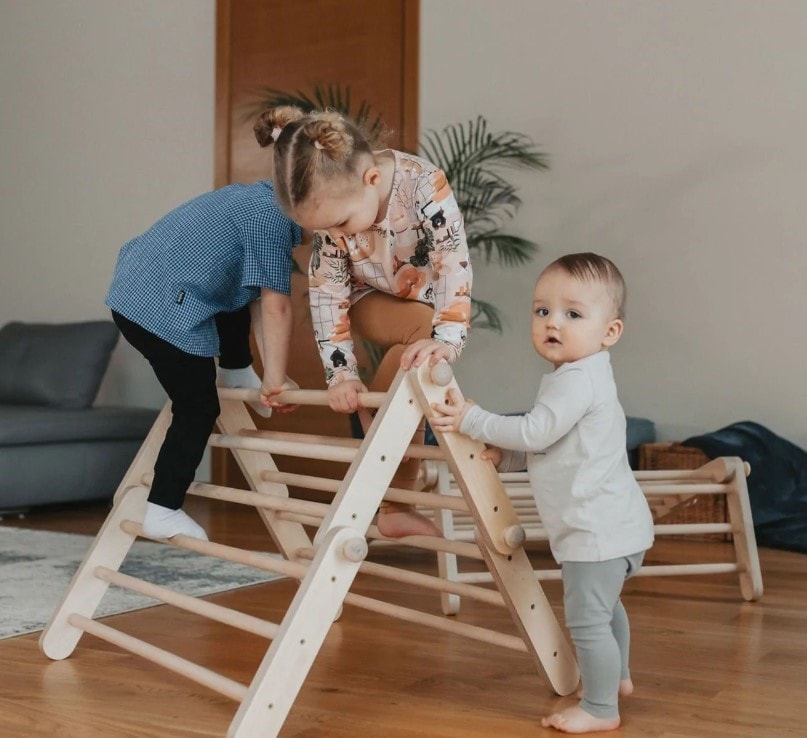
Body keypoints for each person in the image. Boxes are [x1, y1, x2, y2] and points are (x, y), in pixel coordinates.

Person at [430, 253, 654, 734]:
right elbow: (552, 444)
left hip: (594, 530)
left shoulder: (576, 381)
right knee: (606, 608)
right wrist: (506, 457)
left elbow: (535, 431)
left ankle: (600, 707)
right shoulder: (583, 377)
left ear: (609, 332)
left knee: (587, 620)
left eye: (573, 314)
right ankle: (618, 679)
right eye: (542, 311)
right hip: (615, 526)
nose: (553, 322)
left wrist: (471, 418)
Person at [261, 106, 473, 539]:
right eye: (324, 231)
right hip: (367, 300)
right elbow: (327, 294)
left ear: (371, 180)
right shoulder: (335, 225)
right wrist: (341, 375)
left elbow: (453, 263)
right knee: (420, 329)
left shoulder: (422, 184)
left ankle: (391, 501)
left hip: (421, 301)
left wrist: (449, 340)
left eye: (340, 223)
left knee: (413, 359)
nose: (337, 236)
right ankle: (392, 492)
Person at [106, 114, 302, 542]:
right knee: (197, 406)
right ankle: (163, 506)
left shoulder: (251, 199)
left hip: (137, 288)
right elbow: (275, 307)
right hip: (159, 306)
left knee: (236, 292)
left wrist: (265, 373)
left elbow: (250, 296)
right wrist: (274, 380)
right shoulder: (271, 221)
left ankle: (235, 367)